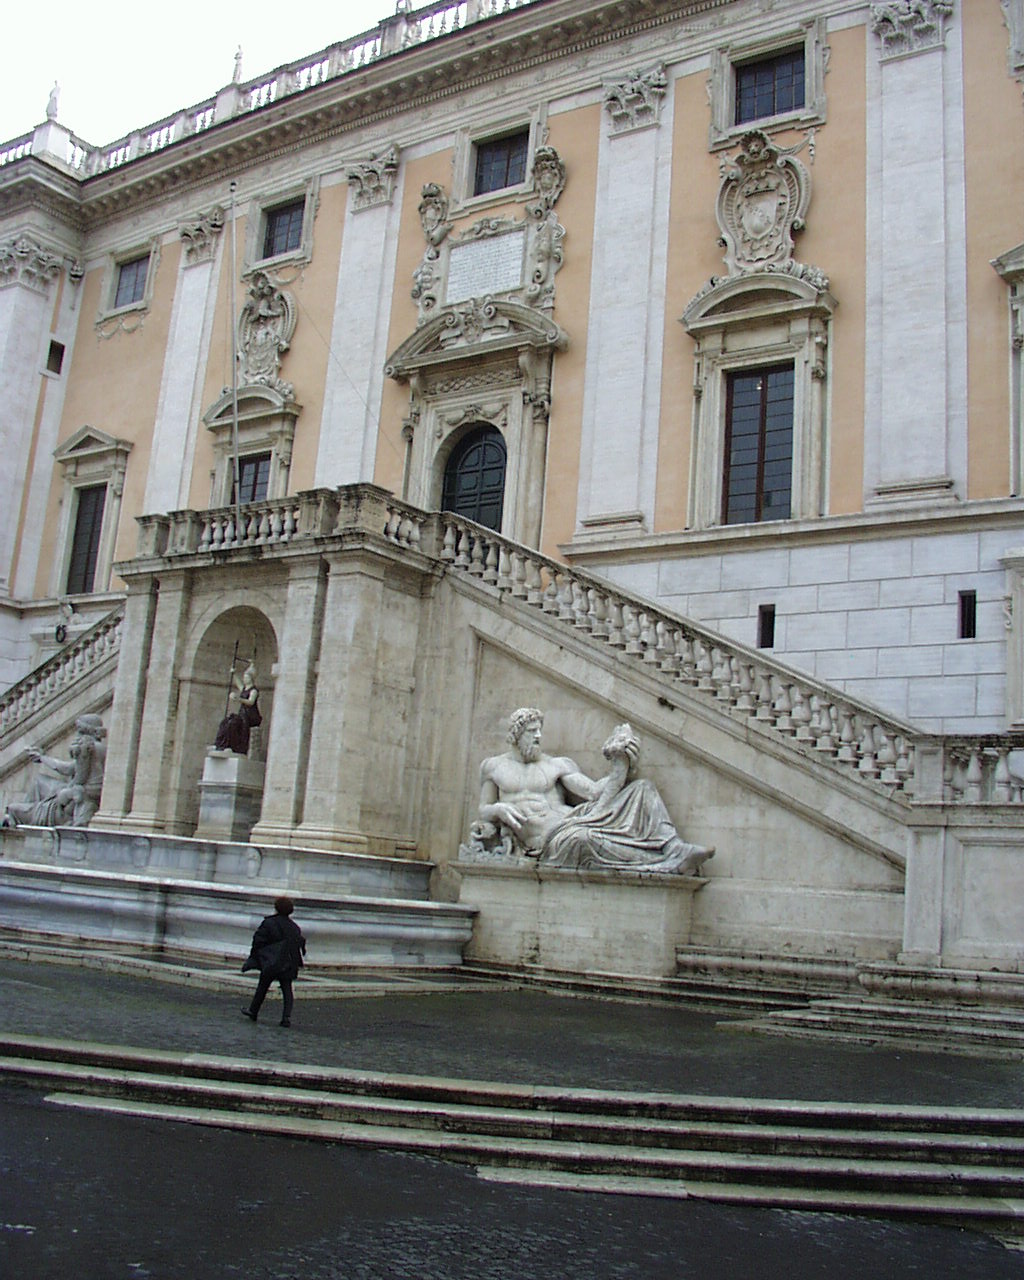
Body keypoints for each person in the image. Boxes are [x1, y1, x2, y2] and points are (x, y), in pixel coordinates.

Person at [474, 708, 713, 874]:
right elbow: (483, 809)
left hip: (573, 820)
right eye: (531, 731)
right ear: (516, 735)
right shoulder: (494, 767)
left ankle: (673, 848)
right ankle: (668, 861)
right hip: (549, 840)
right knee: (583, 839)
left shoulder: (556, 765)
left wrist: (620, 763)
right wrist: (498, 810)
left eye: (539, 730)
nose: (538, 736)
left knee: (643, 788)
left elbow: (593, 792)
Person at [2, 714, 106, 828]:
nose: (77, 734)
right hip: (79, 793)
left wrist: (66, 792)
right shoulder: (101, 747)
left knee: (38, 787)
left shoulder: (86, 747)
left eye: (79, 730)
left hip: (77, 795)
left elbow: (75, 774)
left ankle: (28, 812)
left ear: (85, 730)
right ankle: (29, 810)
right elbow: (72, 769)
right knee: (39, 782)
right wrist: (42, 758)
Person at [241, 896, 306, 1027]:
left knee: (263, 986)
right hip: (288, 962)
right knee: (287, 990)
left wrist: (256, 956)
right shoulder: (294, 927)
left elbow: (258, 940)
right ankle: (286, 1017)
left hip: (272, 960)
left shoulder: (269, 923)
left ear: (276, 908)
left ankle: (253, 1011)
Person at [214, 663, 261, 755]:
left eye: (246, 677)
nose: (244, 679)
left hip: (250, 715)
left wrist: (238, 699)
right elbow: (238, 683)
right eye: (244, 677)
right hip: (242, 713)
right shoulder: (244, 688)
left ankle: (232, 746)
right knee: (225, 722)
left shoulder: (254, 690)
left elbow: (251, 702)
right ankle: (220, 744)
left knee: (233, 724)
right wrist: (234, 673)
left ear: (251, 678)